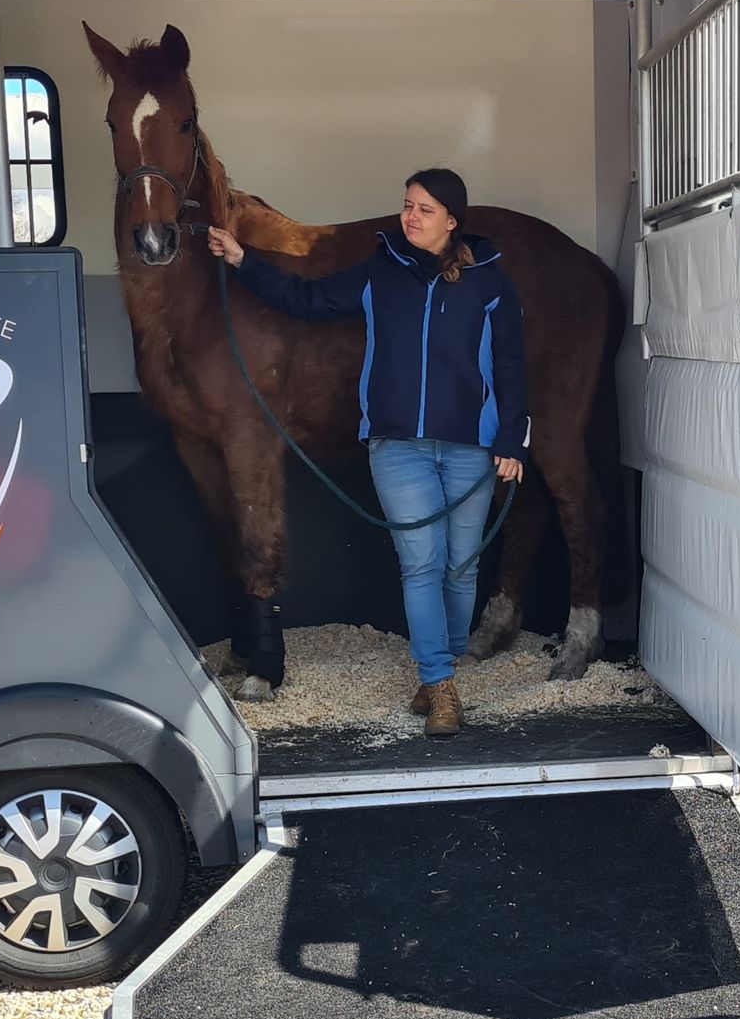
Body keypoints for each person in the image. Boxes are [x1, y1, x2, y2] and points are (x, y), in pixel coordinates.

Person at [208, 167, 528, 737]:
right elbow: (306, 298)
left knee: (462, 567)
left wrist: (509, 440)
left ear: (452, 221)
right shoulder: (381, 272)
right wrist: (242, 260)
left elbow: (510, 364)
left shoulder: (491, 282)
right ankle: (442, 682)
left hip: (470, 449)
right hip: (397, 447)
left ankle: (437, 676)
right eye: (407, 205)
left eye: (424, 209)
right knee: (422, 565)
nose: (410, 216)